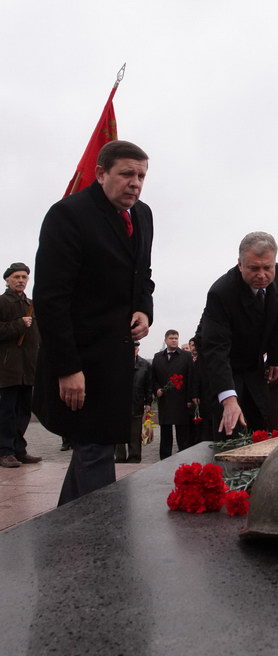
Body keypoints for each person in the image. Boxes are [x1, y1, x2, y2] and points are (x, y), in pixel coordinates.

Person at [33, 140, 155, 505]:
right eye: (127, 174)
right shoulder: (68, 215)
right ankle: (96, 531)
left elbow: (142, 274)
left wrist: (144, 309)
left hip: (116, 359)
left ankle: (70, 529)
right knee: (95, 449)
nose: (135, 183)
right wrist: (68, 368)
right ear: (101, 174)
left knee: (95, 449)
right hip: (81, 360)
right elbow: (51, 299)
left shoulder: (143, 215)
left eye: (142, 176)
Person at [195, 231, 278, 437]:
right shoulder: (221, 292)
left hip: (253, 363)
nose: (262, 275)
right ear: (240, 264)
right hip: (224, 362)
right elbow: (216, 348)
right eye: (254, 268)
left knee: (260, 422)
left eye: (268, 268)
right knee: (230, 426)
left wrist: (274, 359)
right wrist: (228, 399)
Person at [0, 262, 42, 468]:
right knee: (6, 412)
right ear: (7, 280)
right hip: (7, 369)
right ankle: (5, 451)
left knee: (23, 411)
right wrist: (18, 324)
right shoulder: (2, 302)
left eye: (24, 277)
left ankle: (19, 449)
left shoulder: (31, 304)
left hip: (28, 369)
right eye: (16, 277)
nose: (20, 280)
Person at [152, 330, 194, 459]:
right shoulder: (158, 357)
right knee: (165, 433)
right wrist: (157, 389)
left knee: (182, 434)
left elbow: (191, 378)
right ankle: (165, 460)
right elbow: (153, 378)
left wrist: (190, 399)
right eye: (171, 338)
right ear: (165, 340)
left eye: (176, 338)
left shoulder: (186, 356)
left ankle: (184, 459)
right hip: (164, 400)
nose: (174, 340)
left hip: (181, 401)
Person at [115, 341, 152, 463]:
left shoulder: (145, 365)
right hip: (119, 403)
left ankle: (134, 457)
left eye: (135, 348)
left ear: (138, 349)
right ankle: (119, 457)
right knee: (119, 432)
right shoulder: (117, 362)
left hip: (137, 402)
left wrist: (148, 402)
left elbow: (148, 386)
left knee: (135, 434)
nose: (133, 350)